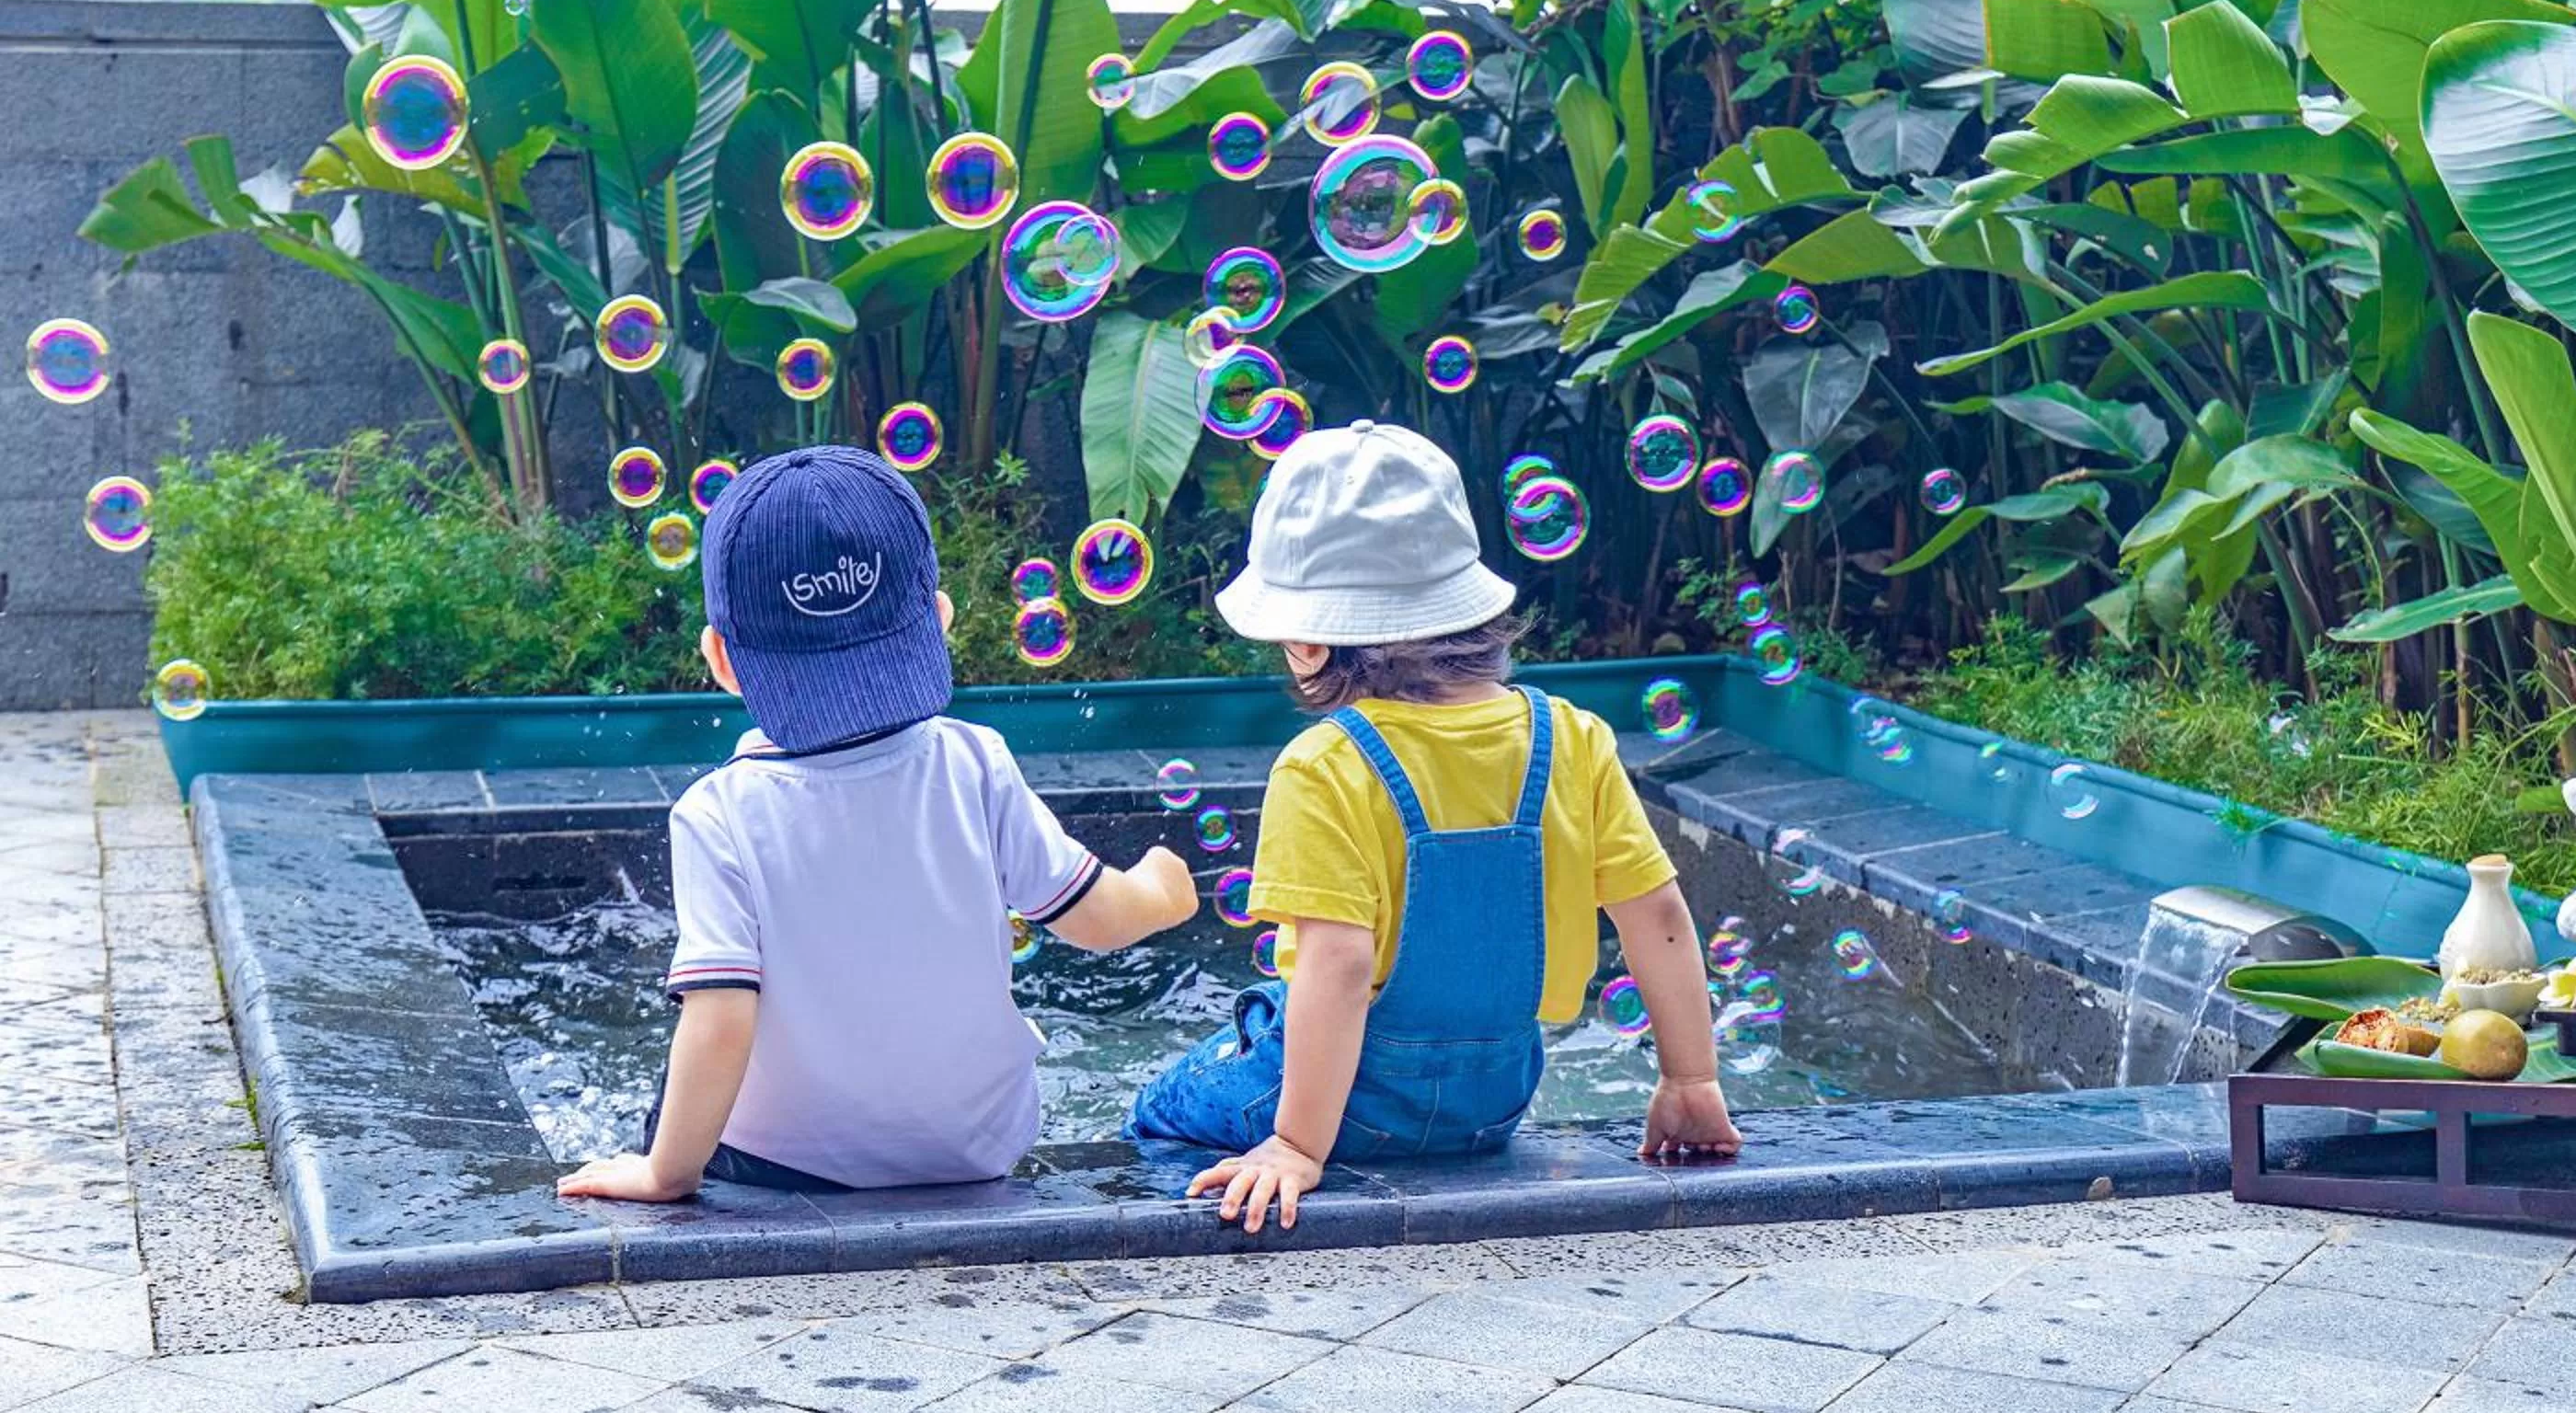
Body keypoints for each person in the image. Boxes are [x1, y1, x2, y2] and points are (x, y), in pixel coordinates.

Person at [1129, 420, 1739, 1232]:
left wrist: (1297, 1147)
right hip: (1496, 1100)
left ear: (1308, 637)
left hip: (1346, 1108)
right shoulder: (1575, 739)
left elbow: (1339, 967)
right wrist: (1691, 1083)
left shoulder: (1324, 765)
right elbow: (1656, 916)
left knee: (1159, 1107)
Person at [559, 446, 1195, 1201]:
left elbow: (722, 1017)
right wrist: (1162, 888)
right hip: (973, 1149)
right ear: (939, 618)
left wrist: (667, 1174)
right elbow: (1097, 920)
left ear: (721, 660)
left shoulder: (716, 811)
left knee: (684, 1065)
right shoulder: (974, 761)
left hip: (782, 1163)